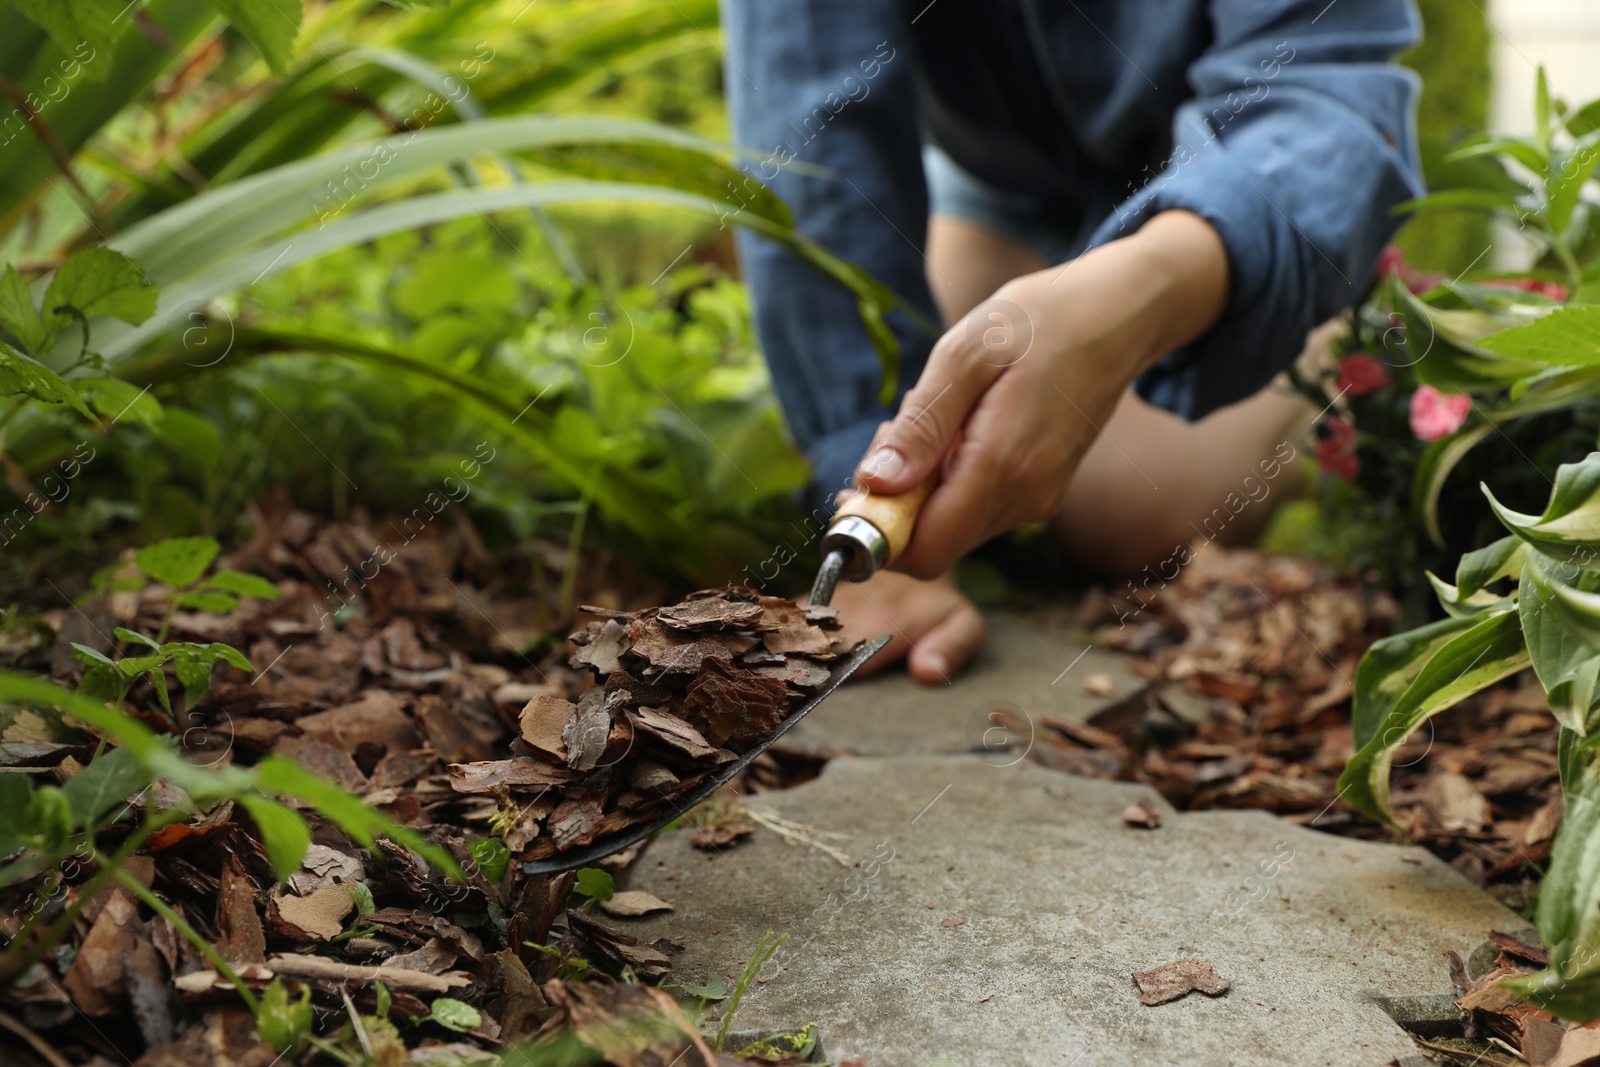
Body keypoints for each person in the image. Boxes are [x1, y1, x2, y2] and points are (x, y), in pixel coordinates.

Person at [722, 0, 1423, 683]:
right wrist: (865, 479)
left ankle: (1356, 353)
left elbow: (1322, 87)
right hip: (1005, 198)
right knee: (974, 426)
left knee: (1123, 509)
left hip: (1227, 194)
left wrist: (1140, 295)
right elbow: (815, 123)